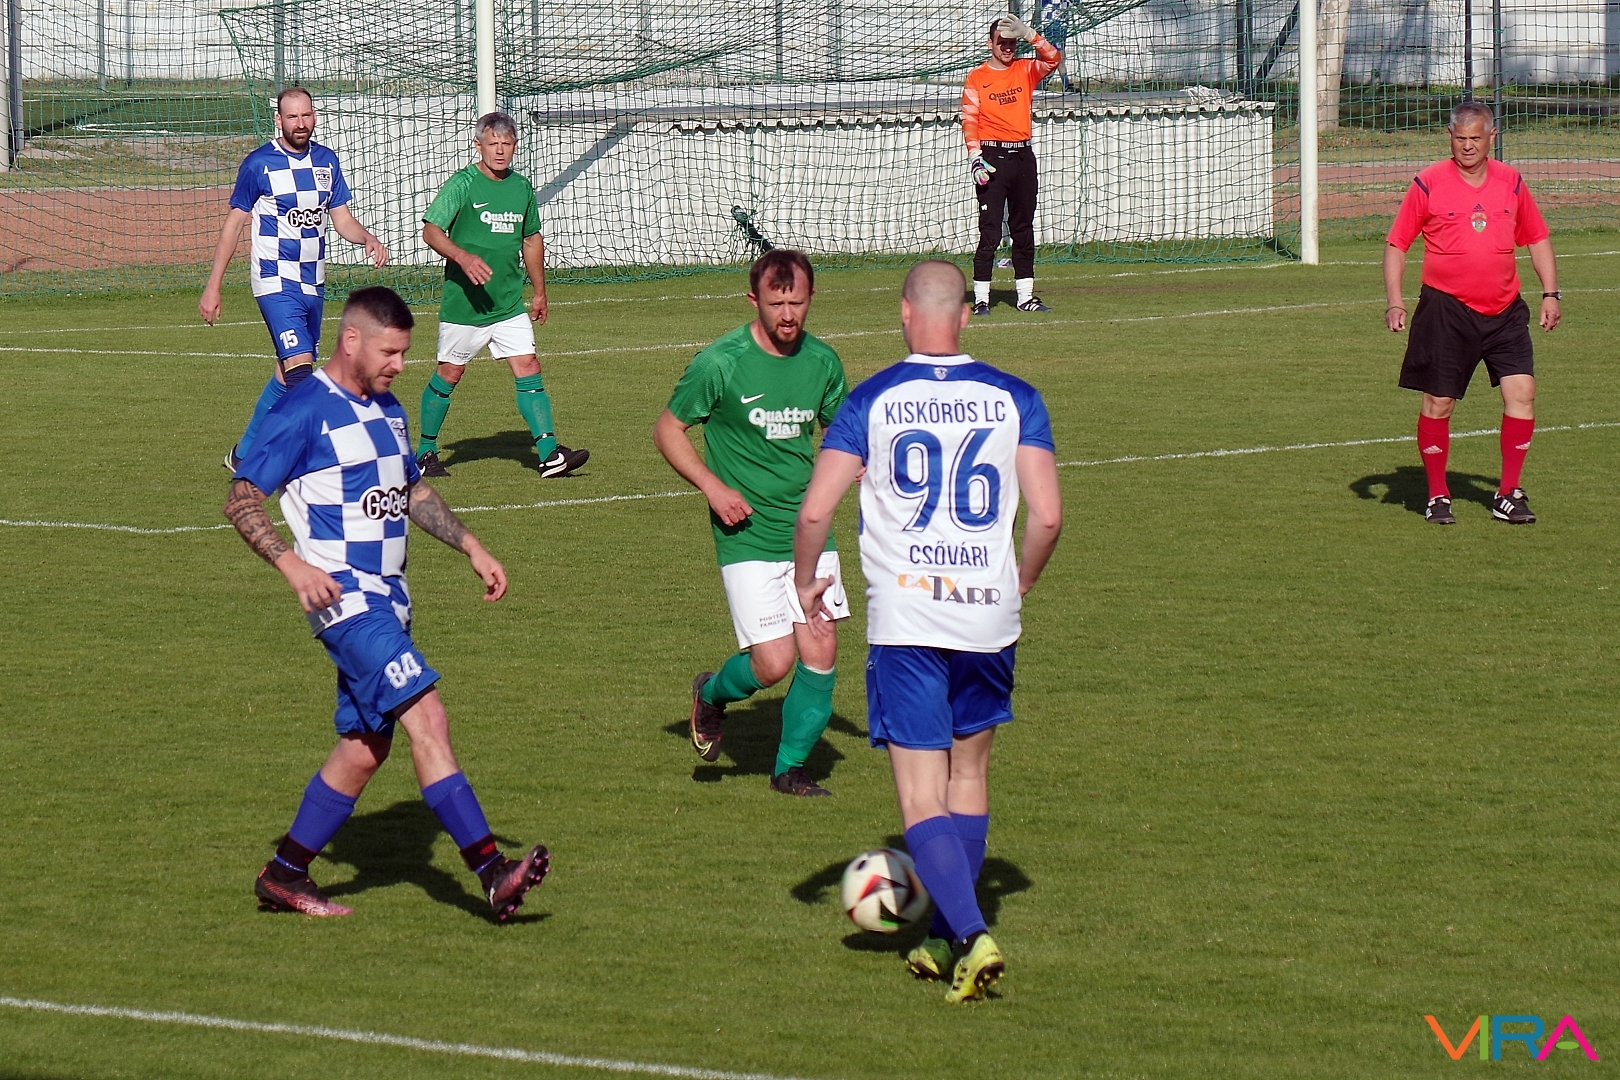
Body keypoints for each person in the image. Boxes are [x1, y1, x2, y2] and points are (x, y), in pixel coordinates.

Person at [223, 286, 549, 920]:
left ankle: (284, 874)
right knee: (428, 716)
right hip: (346, 602)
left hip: (390, 600)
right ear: (351, 341)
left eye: (404, 352)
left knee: (365, 747)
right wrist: (291, 564)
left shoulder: (389, 408)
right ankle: (491, 872)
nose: (400, 365)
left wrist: (470, 545)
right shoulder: (304, 410)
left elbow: (413, 490)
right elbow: (240, 498)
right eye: (390, 352)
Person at [793, 260, 1062, 1003]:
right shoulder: (1016, 397)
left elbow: (814, 510)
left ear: (905, 313)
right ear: (965, 315)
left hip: (909, 618)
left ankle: (972, 936)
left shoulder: (872, 399)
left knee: (920, 795)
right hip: (988, 614)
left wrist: (806, 579)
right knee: (967, 775)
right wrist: (1021, 580)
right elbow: (1046, 517)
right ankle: (944, 935)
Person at [653, 249, 850, 797]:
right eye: (776, 303)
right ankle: (712, 694)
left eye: (798, 303)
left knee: (821, 646)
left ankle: (790, 770)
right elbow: (668, 430)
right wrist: (713, 487)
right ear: (753, 301)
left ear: (811, 299)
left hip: (809, 530)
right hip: (747, 535)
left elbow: (840, 431)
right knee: (773, 663)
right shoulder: (721, 362)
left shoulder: (823, 362)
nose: (788, 315)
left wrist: (852, 462)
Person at [1384, 100, 1560, 526]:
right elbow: (1396, 244)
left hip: (1505, 310)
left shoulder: (1511, 182)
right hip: (1446, 310)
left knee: (1523, 393)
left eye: (1475, 139)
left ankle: (1508, 493)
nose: (1467, 146)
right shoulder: (1428, 183)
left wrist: (1551, 293)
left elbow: (1537, 238)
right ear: (1450, 137)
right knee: (1439, 402)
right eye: (1460, 138)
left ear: (1491, 137)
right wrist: (1395, 300)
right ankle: (1437, 495)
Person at [201, 87, 389, 469]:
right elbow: (233, 225)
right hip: (274, 281)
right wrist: (213, 285)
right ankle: (315, 459)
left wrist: (367, 237)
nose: (300, 123)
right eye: (292, 117)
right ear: (279, 120)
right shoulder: (259, 164)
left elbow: (342, 219)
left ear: (314, 116)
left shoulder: (326, 161)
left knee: (285, 375)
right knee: (302, 373)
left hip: (312, 282)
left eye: (306, 115)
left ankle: (243, 454)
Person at [414, 112, 589, 480]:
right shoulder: (462, 184)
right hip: (466, 305)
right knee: (450, 373)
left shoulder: (521, 188)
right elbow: (431, 230)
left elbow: (531, 239)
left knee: (529, 366)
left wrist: (540, 292)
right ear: (478, 146)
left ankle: (548, 454)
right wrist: (462, 257)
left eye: (506, 144)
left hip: (508, 303)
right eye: (492, 143)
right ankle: (425, 453)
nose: (499, 150)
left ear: (514, 146)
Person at [961, 12, 1062, 316]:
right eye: (1001, 42)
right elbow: (970, 118)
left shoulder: (1025, 69)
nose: (1007, 48)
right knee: (990, 232)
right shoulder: (977, 77)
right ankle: (982, 299)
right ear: (990, 43)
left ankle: (1025, 297)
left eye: (1012, 43)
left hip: (1022, 158)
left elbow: (1053, 58)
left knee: (1023, 229)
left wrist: (1030, 34)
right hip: (992, 159)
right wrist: (975, 158)